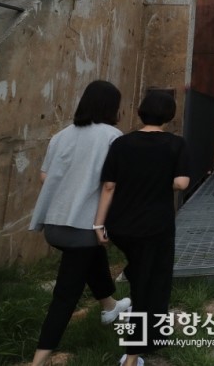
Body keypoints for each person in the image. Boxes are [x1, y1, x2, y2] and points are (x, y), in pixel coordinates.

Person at [29, 80, 131, 366]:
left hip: (54, 225)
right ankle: (39, 361)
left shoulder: (60, 136)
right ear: (112, 107)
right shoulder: (113, 136)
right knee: (65, 295)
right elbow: (113, 184)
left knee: (90, 258)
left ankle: (110, 307)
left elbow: (44, 178)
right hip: (85, 228)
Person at [94, 90, 190, 366]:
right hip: (155, 226)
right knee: (151, 286)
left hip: (121, 224)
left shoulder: (121, 143)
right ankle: (133, 354)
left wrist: (99, 223)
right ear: (169, 116)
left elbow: (109, 186)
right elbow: (182, 183)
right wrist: (161, 179)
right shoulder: (175, 144)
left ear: (140, 112)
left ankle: (154, 336)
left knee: (140, 274)